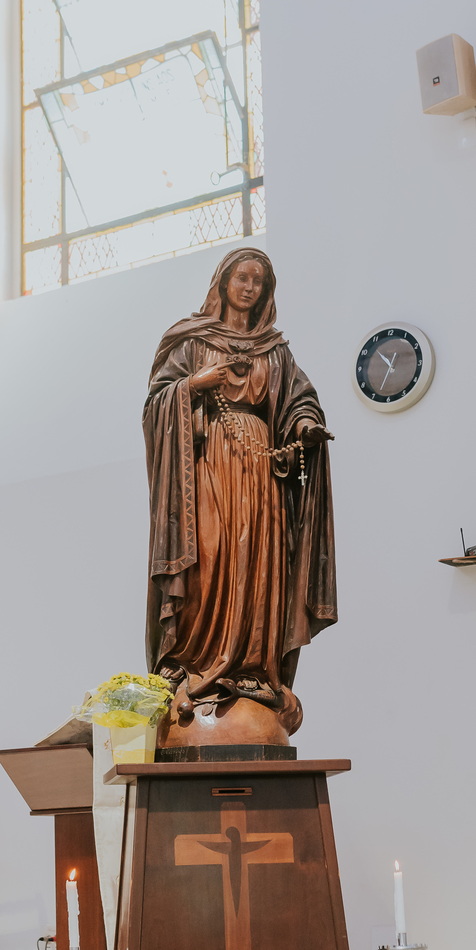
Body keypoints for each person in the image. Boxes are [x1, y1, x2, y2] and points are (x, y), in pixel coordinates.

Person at [143, 248, 336, 729]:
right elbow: (154, 407)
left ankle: (251, 668)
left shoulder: (276, 352)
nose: (249, 287)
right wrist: (190, 387)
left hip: (261, 476)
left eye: (259, 282)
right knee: (209, 557)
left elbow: (299, 401)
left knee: (255, 565)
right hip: (207, 472)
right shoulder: (190, 342)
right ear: (223, 281)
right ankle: (190, 664)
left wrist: (305, 428)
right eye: (242, 278)